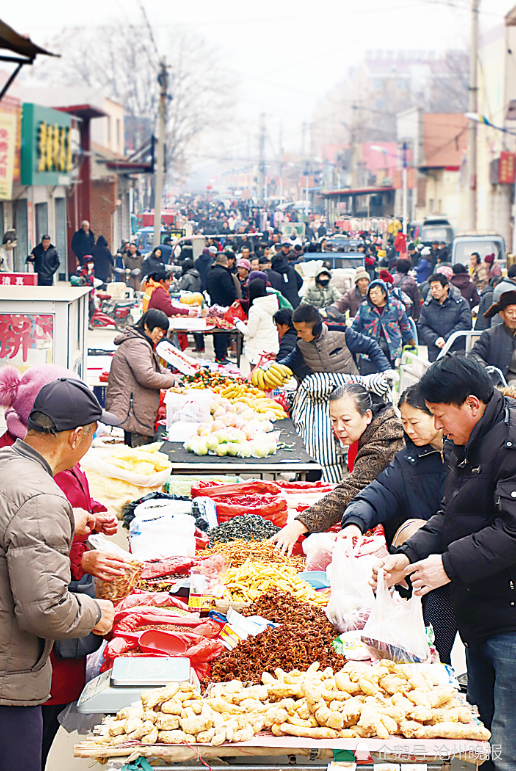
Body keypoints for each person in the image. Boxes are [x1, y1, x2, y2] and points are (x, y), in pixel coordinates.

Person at [371, 356, 516, 771]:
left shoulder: (511, 444)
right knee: (482, 734)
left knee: (507, 744)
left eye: (439, 415)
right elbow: (452, 515)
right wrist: (409, 554)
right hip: (481, 612)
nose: (436, 427)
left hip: (510, 618)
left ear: (472, 404)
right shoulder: (464, 441)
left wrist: (448, 566)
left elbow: (512, 532)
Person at [0, 365, 124, 767]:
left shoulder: (8, 463)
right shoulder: (42, 496)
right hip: (10, 679)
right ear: (77, 436)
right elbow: (45, 611)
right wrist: (97, 614)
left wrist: (72, 520)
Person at [340, 384, 457, 664]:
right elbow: (379, 492)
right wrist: (354, 522)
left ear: (438, 417)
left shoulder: (465, 457)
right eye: (404, 423)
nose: (410, 430)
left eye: (414, 422)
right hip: (423, 569)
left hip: (461, 562)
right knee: (432, 651)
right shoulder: (409, 459)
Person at [271, 384, 404, 553]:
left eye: (346, 420)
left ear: (367, 416)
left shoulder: (384, 442)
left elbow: (353, 489)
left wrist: (299, 525)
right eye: (334, 420)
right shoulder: (369, 432)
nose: (339, 428)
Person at [105, 309, 180, 447]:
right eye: (158, 329)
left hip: (134, 408)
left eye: (163, 331)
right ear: (146, 325)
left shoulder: (142, 342)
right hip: (131, 411)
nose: (161, 334)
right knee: (135, 455)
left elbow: (156, 368)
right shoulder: (137, 344)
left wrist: (172, 376)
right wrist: (172, 382)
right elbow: (147, 376)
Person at [277, 304, 394, 381]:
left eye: (302, 331)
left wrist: (386, 370)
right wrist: (274, 366)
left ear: (316, 328)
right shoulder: (301, 344)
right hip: (324, 397)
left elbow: (371, 346)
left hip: (351, 393)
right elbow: (290, 361)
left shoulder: (343, 334)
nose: (298, 335)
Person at [352, 279, 415, 370]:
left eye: (376, 293)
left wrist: (411, 341)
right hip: (369, 349)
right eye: (371, 293)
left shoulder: (396, 306)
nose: (373, 296)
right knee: (369, 378)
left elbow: (405, 326)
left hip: (390, 349)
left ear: (384, 294)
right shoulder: (364, 307)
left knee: (388, 378)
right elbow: (355, 326)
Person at [417, 273, 472, 362]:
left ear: (446, 287)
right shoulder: (427, 306)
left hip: (456, 350)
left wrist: (447, 339)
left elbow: (465, 323)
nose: (434, 291)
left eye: (436, 287)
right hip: (435, 350)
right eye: (431, 288)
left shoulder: (460, 303)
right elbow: (422, 325)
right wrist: (435, 339)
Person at [471, 290, 516, 383]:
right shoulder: (490, 334)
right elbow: (474, 354)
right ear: (502, 315)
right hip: (497, 383)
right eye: (510, 312)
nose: (514, 316)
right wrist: (484, 368)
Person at [235, 278, 279, 364]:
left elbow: (250, 332)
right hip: (271, 349)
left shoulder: (255, 309)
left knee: (254, 376)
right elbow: (264, 323)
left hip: (258, 352)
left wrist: (238, 323)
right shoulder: (271, 305)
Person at [206, 253, 238, 364]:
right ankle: (222, 356)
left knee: (217, 331)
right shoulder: (224, 274)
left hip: (214, 306)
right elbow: (229, 290)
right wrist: (234, 300)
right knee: (224, 331)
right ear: (226, 262)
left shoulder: (210, 273)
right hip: (225, 307)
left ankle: (218, 355)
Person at [77, 256, 96, 321]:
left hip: (91, 294)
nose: (91, 265)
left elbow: (92, 282)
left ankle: (89, 321)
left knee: (92, 309)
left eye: (92, 263)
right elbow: (82, 282)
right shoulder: (81, 271)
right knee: (83, 309)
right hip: (84, 293)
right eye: (89, 263)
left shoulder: (92, 271)